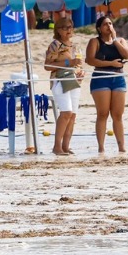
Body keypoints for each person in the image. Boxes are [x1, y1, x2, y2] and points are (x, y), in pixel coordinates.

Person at [85, 14, 128, 155]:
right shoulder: (95, 41)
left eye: (110, 23)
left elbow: (127, 55)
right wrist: (110, 63)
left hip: (118, 77)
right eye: (105, 24)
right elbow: (90, 60)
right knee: (103, 113)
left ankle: (121, 147)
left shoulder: (120, 40)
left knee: (117, 114)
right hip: (101, 77)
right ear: (99, 28)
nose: (109, 26)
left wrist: (115, 39)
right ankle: (101, 147)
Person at [44, 19, 83, 156]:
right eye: (65, 27)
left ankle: (66, 146)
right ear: (58, 30)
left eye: (71, 27)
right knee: (66, 112)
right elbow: (47, 66)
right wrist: (69, 62)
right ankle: (57, 146)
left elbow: (78, 64)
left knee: (72, 115)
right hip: (60, 79)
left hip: (74, 80)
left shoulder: (74, 46)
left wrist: (79, 73)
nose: (69, 30)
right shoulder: (55, 45)